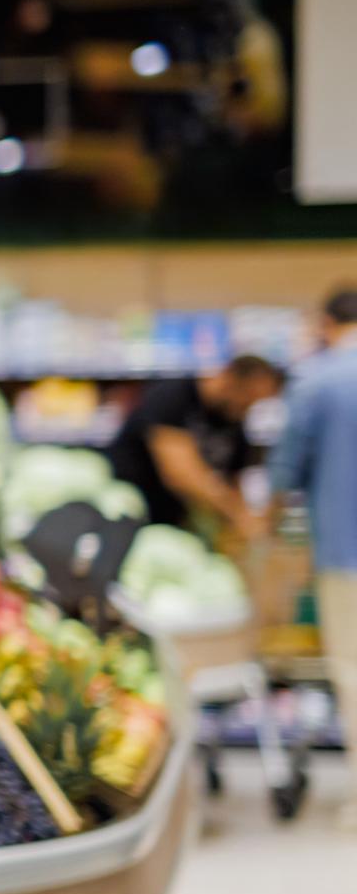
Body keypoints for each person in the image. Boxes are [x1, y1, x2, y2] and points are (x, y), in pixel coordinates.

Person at [270, 287, 357, 812]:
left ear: (325, 323)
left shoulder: (319, 380)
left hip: (347, 552)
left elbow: (286, 471)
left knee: (354, 668)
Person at [103, 355, 284, 543]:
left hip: (175, 523)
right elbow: (181, 474)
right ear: (229, 379)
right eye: (248, 397)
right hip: (130, 513)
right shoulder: (174, 395)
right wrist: (236, 513)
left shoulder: (235, 420)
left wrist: (247, 520)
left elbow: (234, 482)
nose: (249, 407)